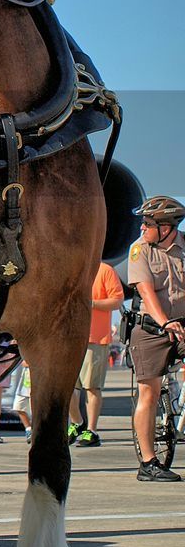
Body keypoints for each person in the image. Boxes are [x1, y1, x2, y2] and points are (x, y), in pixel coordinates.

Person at [127, 196, 185, 482]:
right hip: (151, 328)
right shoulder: (139, 250)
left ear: (167, 227)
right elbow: (147, 293)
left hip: (182, 325)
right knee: (148, 393)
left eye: (148, 223)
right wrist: (166, 322)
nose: (142, 228)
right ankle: (149, 463)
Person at [69, 260, 125, 447]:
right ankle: (77, 423)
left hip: (95, 338)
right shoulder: (73, 267)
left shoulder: (105, 270)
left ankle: (91, 431)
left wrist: (91, 303)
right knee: (66, 387)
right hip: (70, 338)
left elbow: (117, 300)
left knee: (92, 387)